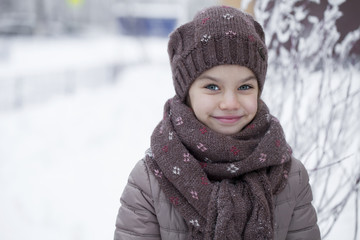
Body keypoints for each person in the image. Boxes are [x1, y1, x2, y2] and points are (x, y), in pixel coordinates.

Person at [114, 5, 321, 240]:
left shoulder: (290, 176)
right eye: (212, 87)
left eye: (245, 87)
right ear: (186, 93)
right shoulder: (150, 181)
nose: (230, 103)